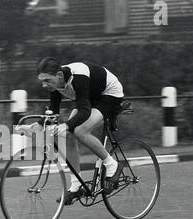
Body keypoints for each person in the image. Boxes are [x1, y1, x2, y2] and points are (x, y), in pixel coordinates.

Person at [18, 57, 124, 205]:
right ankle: (76, 186)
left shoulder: (78, 77)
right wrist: (36, 126)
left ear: (59, 76)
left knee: (80, 131)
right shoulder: (55, 84)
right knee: (67, 135)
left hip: (108, 95)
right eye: (42, 80)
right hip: (89, 97)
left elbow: (85, 111)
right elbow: (53, 111)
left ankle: (112, 165)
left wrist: (66, 125)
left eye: (47, 80)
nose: (43, 85)